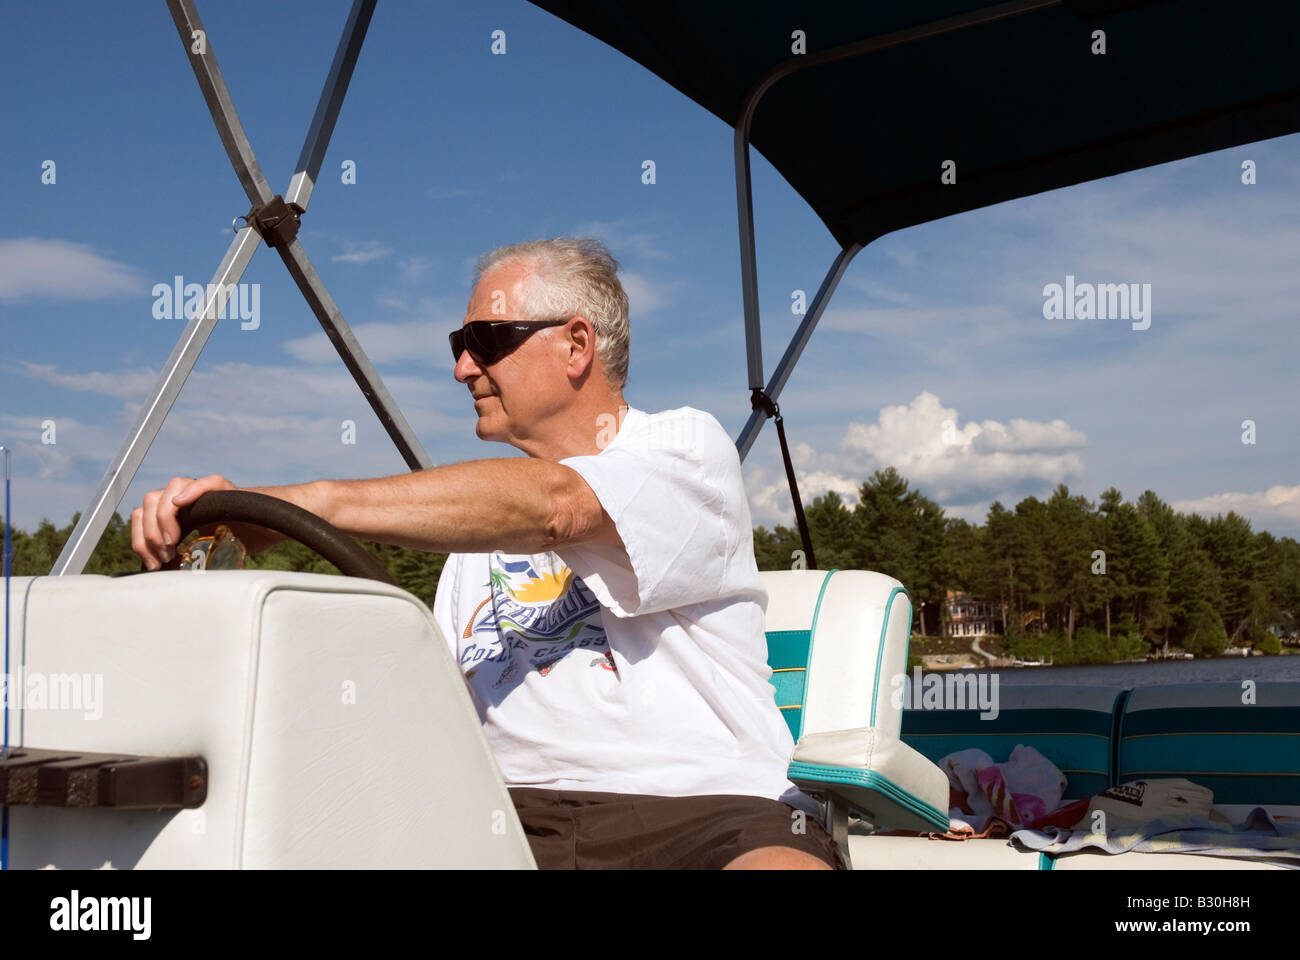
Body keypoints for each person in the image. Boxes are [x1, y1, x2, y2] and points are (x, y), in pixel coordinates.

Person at [131, 237, 845, 870]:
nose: (462, 367)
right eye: (458, 344)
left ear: (576, 344)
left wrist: (293, 509)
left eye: (486, 338)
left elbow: (557, 507)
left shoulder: (686, 450)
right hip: (499, 820)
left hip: (707, 812)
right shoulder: (470, 546)